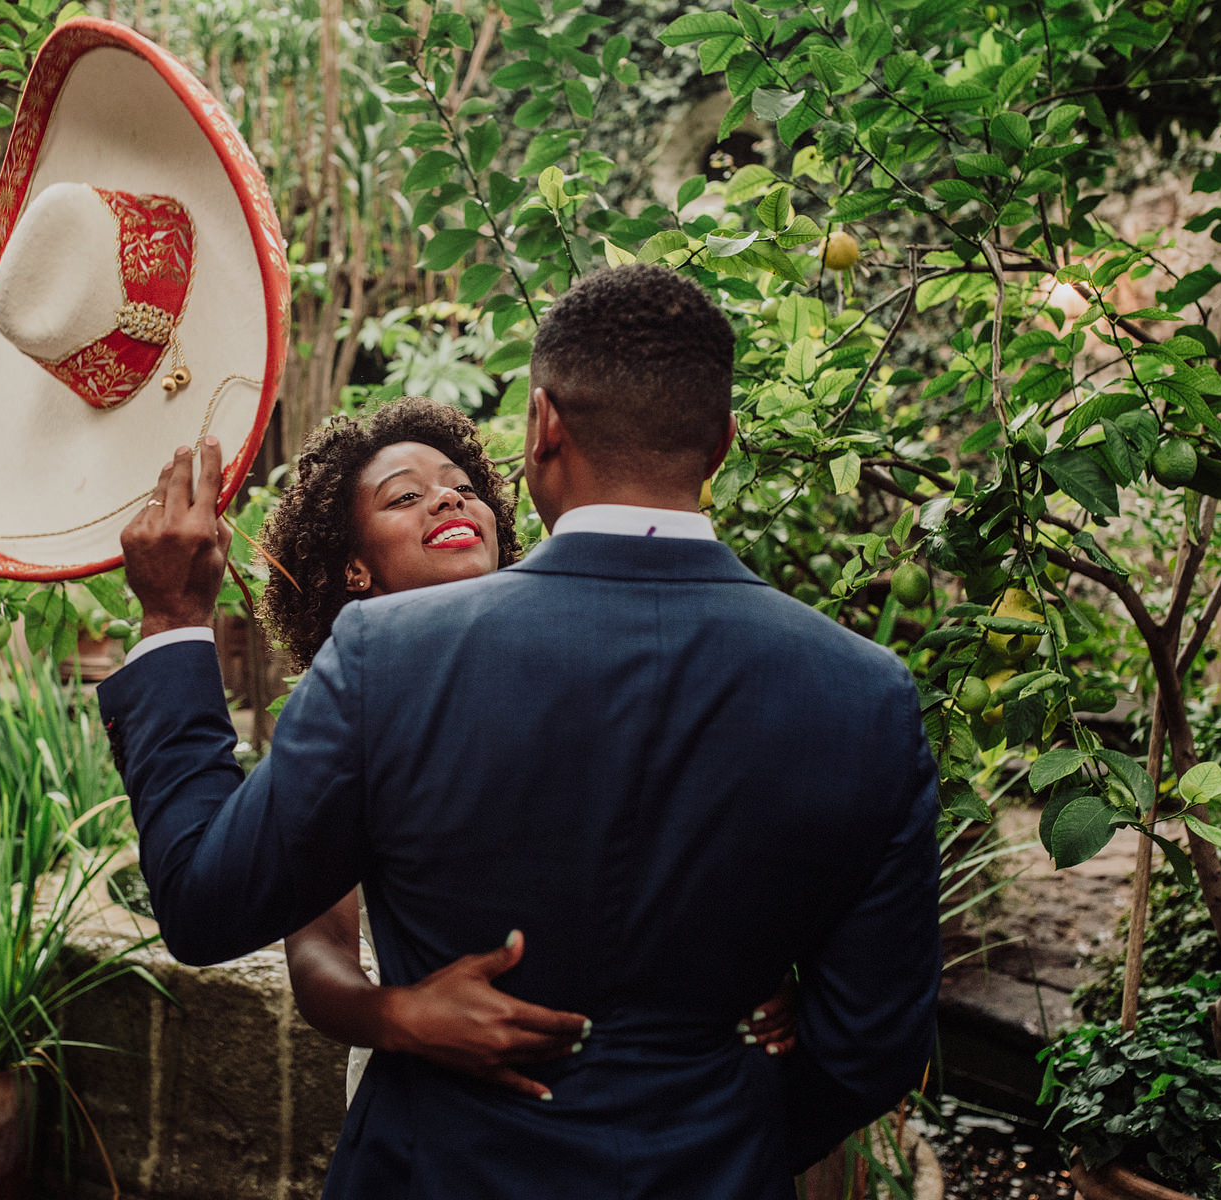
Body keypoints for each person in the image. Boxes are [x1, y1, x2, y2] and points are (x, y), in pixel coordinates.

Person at [98, 264, 941, 1198]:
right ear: (724, 442)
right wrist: (719, 1138)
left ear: (541, 425)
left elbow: (207, 903)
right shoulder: (866, 693)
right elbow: (874, 1043)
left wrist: (175, 623)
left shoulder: (386, 658)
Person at [257, 397, 795, 1106]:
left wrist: (779, 970)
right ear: (353, 567)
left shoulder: (597, 644)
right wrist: (401, 1017)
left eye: (463, 486)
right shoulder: (351, 708)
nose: (446, 497)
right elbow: (317, 949)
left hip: (654, 1098)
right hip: (438, 1097)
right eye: (406, 496)